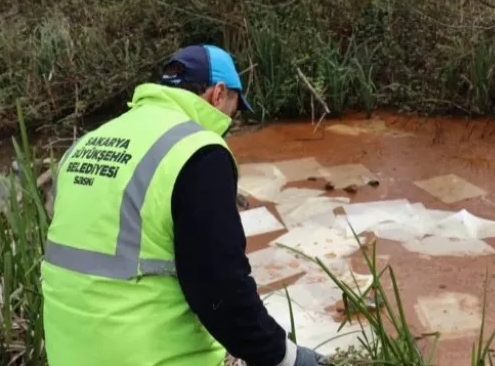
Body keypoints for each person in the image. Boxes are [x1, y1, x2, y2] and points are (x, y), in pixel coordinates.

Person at [41, 44, 328, 366]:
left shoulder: (88, 142)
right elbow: (220, 290)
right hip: (151, 354)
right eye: (235, 105)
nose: (232, 119)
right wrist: (285, 357)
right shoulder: (198, 151)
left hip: (69, 351)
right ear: (218, 94)